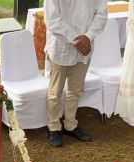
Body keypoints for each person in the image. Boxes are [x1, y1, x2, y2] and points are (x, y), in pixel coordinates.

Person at [44, 0, 107, 147]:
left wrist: (88, 36)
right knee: (55, 92)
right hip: (62, 47)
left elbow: (102, 14)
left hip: (85, 47)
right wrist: (77, 40)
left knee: (76, 90)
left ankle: (70, 125)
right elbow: (52, 19)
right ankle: (53, 127)